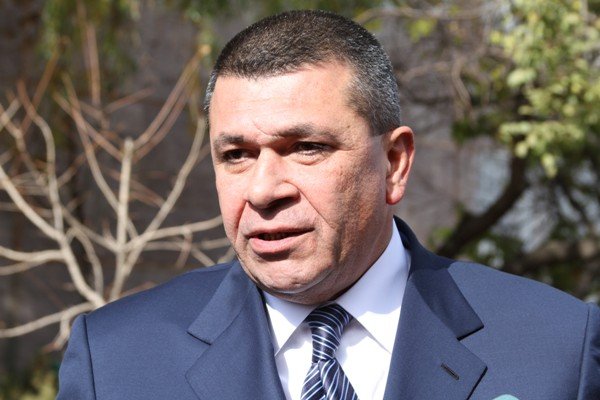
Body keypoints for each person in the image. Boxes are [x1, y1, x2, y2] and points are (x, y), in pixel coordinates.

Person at [57, 10, 600, 400]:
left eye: (306, 148)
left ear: (394, 164)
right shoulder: (116, 362)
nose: (264, 190)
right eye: (236, 155)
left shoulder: (556, 347)